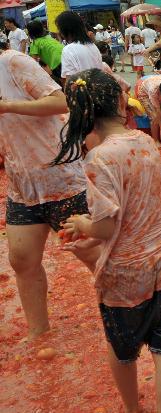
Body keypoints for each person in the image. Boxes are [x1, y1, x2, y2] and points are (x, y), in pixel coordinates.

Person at [54, 69, 161, 413]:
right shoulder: (146, 141)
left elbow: (108, 227)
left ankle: (132, 411)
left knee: (121, 347)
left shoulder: (98, 159)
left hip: (127, 272)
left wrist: (83, 223)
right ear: (118, 102)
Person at [0, 50, 95, 339]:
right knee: (21, 259)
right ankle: (39, 334)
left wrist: (7, 107)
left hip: (62, 179)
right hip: (22, 187)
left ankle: (130, 317)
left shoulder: (12, 62)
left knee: (94, 255)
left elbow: (60, 101)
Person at [56, 11, 102, 80]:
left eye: (59, 28)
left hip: (82, 90)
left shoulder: (68, 50)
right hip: (98, 86)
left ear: (64, 30)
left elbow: (70, 82)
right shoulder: (93, 46)